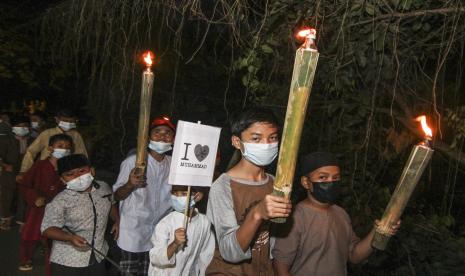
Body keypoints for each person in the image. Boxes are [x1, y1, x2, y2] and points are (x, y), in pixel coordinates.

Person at [272, 152, 401, 276]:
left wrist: (377, 231)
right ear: (306, 182)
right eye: (323, 177)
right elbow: (280, 269)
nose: (331, 182)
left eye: (336, 177)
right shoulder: (295, 217)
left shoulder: (341, 214)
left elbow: (354, 255)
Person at [206, 108, 292, 275]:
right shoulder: (222, 186)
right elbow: (229, 251)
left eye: (272, 138)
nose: (266, 145)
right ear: (237, 142)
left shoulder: (276, 183)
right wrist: (257, 213)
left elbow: (274, 242)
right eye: (256, 139)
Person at [113, 116, 175, 276]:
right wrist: (130, 184)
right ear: (147, 138)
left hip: (161, 232)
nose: (162, 136)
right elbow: (117, 195)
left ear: (173, 139)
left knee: (154, 272)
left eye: (167, 133)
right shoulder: (133, 162)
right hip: (133, 230)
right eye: (157, 132)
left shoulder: (174, 164)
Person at [41, 154, 119, 276]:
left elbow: (111, 203)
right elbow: (47, 229)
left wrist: (117, 220)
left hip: (99, 255)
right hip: (69, 261)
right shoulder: (60, 201)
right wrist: (69, 238)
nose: (78, 176)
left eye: (82, 171)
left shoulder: (104, 187)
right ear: (62, 179)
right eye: (70, 174)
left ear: (92, 171)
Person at [18, 134, 73, 273]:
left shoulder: (70, 168)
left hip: (58, 211)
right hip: (38, 209)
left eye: (67, 147)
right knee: (29, 236)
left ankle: (51, 269)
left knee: (53, 240)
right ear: (50, 148)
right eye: (60, 146)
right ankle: (25, 258)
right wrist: (34, 197)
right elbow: (25, 185)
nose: (64, 150)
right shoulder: (40, 166)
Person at [148, 185, 214, 276]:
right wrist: (175, 244)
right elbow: (155, 257)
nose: (177, 197)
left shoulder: (204, 222)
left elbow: (206, 256)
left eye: (183, 194)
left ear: (197, 196)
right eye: (174, 193)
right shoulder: (166, 223)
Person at [20, 109, 88, 174]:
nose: (68, 123)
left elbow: (82, 154)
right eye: (65, 121)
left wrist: (85, 170)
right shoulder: (47, 133)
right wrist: (24, 170)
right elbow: (31, 151)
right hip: (47, 170)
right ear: (57, 119)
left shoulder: (76, 135)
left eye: (71, 121)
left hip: (67, 171)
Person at [0, 115, 23, 230]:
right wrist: (5, 165)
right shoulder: (6, 139)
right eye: (19, 126)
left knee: (20, 196)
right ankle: (5, 219)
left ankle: (19, 220)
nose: (22, 128)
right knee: (7, 196)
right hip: (8, 171)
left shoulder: (32, 140)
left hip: (23, 171)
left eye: (24, 126)